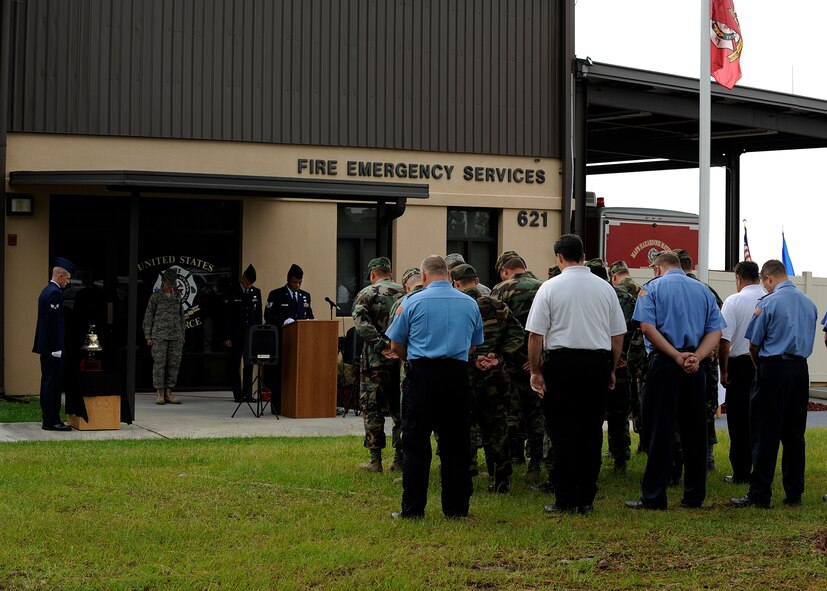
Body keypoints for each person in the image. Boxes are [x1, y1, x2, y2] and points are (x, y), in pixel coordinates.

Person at [526, 235, 626, 514]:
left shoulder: (549, 287)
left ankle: (566, 497)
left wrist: (535, 371)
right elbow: (617, 334)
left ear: (559, 257)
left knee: (562, 432)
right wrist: (611, 367)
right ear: (584, 254)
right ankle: (586, 498)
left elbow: (535, 335)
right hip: (596, 362)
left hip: (562, 364)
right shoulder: (605, 288)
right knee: (591, 432)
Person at [386, 255, 484, 518]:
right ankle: (456, 509)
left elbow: (395, 345)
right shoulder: (469, 303)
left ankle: (413, 509)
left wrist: (413, 358)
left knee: (416, 443)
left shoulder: (411, 302)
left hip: (423, 376)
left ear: (424, 276)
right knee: (457, 444)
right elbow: (474, 344)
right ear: (450, 276)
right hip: (457, 376)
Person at [625, 251, 724, 510]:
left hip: (665, 364)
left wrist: (675, 355)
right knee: (695, 431)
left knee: (660, 430)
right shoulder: (703, 291)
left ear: (658, 268)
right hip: (695, 365)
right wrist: (697, 357)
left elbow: (647, 327)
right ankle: (694, 495)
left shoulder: (652, 288)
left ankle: (655, 496)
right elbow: (716, 330)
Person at [731, 260, 818, 508]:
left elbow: (753, 344)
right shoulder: (809, 303)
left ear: (768, 278)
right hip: (800, 370)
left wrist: (762, 369)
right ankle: (794, 493)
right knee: (794, 434)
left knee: (765, 432)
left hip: (773, 368)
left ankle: (760, 493)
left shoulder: (768, 303)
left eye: (765, 283)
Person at [452, 263, 524, 493]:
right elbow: (517, 333)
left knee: (463, 425)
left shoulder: (456, 306)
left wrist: (471, 356)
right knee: (496, 427)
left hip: (464, 373)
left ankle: (464, 473)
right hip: (494, 375)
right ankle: (501, 478)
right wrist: (498, 355)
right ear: (477, 280)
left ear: (456, 283)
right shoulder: (496, 304)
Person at [489, 250, 545, 483]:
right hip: (538, 363)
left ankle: (513, 458)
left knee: (509, 414)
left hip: (509, 365)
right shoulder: (544, 287)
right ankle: (535, 464)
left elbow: (495, 328)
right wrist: (536, 359)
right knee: (537, 416)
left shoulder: (500, 290)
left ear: (505, 271)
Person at [351, 257, 405, 472]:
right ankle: (399, 459)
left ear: (373, 274)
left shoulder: (367, 293)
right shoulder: (405, 293)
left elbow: (361, 325)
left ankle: (375, 461)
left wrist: (382, 345)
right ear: (389, 272)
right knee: (399, 410)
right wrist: (396, 347)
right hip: (400, 360)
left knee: (372, 408)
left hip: (374, 362)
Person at [586, 258, 637, 473]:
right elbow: (637, 330)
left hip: (593, 361)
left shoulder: (588, 296)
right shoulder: (625, 297)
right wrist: (628, 357)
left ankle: (590, 457)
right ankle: (620, 459)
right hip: (621, 363)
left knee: (591, 413)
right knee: (619, 414)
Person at [675, 248, 723, 471]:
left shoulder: (668, 288)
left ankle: (679, 459)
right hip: (704, 359)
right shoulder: (707, 290)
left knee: (678, 410)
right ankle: (708, 458)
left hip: (676, 359)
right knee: (706, 408)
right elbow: (719, 326)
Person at [719, 260, 763, 485]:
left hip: (739, 365)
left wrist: (723, 370)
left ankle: (741, 471)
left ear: (738, 278)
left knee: (738, 421)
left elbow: (724, 340)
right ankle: (761, 469)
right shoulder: (768, 297)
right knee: (760, 420)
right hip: (763, 363)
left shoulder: (733, 301)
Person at [33, 258, 76, 431]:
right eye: (67, 278)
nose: (68, 281)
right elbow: (54, 324)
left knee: (48, 383)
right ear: (59, 276)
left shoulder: (46, 290)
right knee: (53, 384)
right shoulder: (54, 293)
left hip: (46, 348)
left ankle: (48, 418)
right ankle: (52, 420)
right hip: (52, 349)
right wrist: (57, 347)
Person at [264, 264, 312, 412]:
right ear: (288, 280)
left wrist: (310, 322)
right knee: (279, 375)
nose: (297, 285)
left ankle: (297, 405)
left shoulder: (305, 296)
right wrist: (283, 322)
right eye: (294, 282)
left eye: (299, 282)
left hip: (300, 342)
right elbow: (269, 315)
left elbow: (309, 314)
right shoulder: (276, 294)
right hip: (282, 341)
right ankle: (278, 406)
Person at [143, 269, 186, 405]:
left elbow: (181, 316)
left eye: (172, 283)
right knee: (159, 364)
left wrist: (182, 334)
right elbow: (148, 317)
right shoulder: (155, 297)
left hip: (175, 335)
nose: (170, 286)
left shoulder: (177, 297)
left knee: (174, 364)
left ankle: (169, 392)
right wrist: (148, 336)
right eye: (168, 283)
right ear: (163, 282)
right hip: (159, 335)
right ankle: (160, 393)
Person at [224, 264, 262, 403]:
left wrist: (258, 333)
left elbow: (258, 314)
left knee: (249, 363)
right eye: (246, 283)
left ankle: (248, 393)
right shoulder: (233, 290)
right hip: (236, 333)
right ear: (243, 278)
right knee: (235, 363)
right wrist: (227, 336)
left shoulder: (256, 292)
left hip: (251, 333)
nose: (248, 286)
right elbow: (227, 315)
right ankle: (237, 394)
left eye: (250, 284)